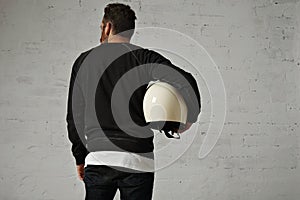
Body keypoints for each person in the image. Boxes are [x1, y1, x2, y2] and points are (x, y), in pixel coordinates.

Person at [66, 3, 201, 200]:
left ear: (108, 27)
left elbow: (74, 116)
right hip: (139, 160)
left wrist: (80, 157)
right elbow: (185, 79)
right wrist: (190, 118)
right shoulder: (143, 57)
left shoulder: (83, 61)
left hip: (99, 158)